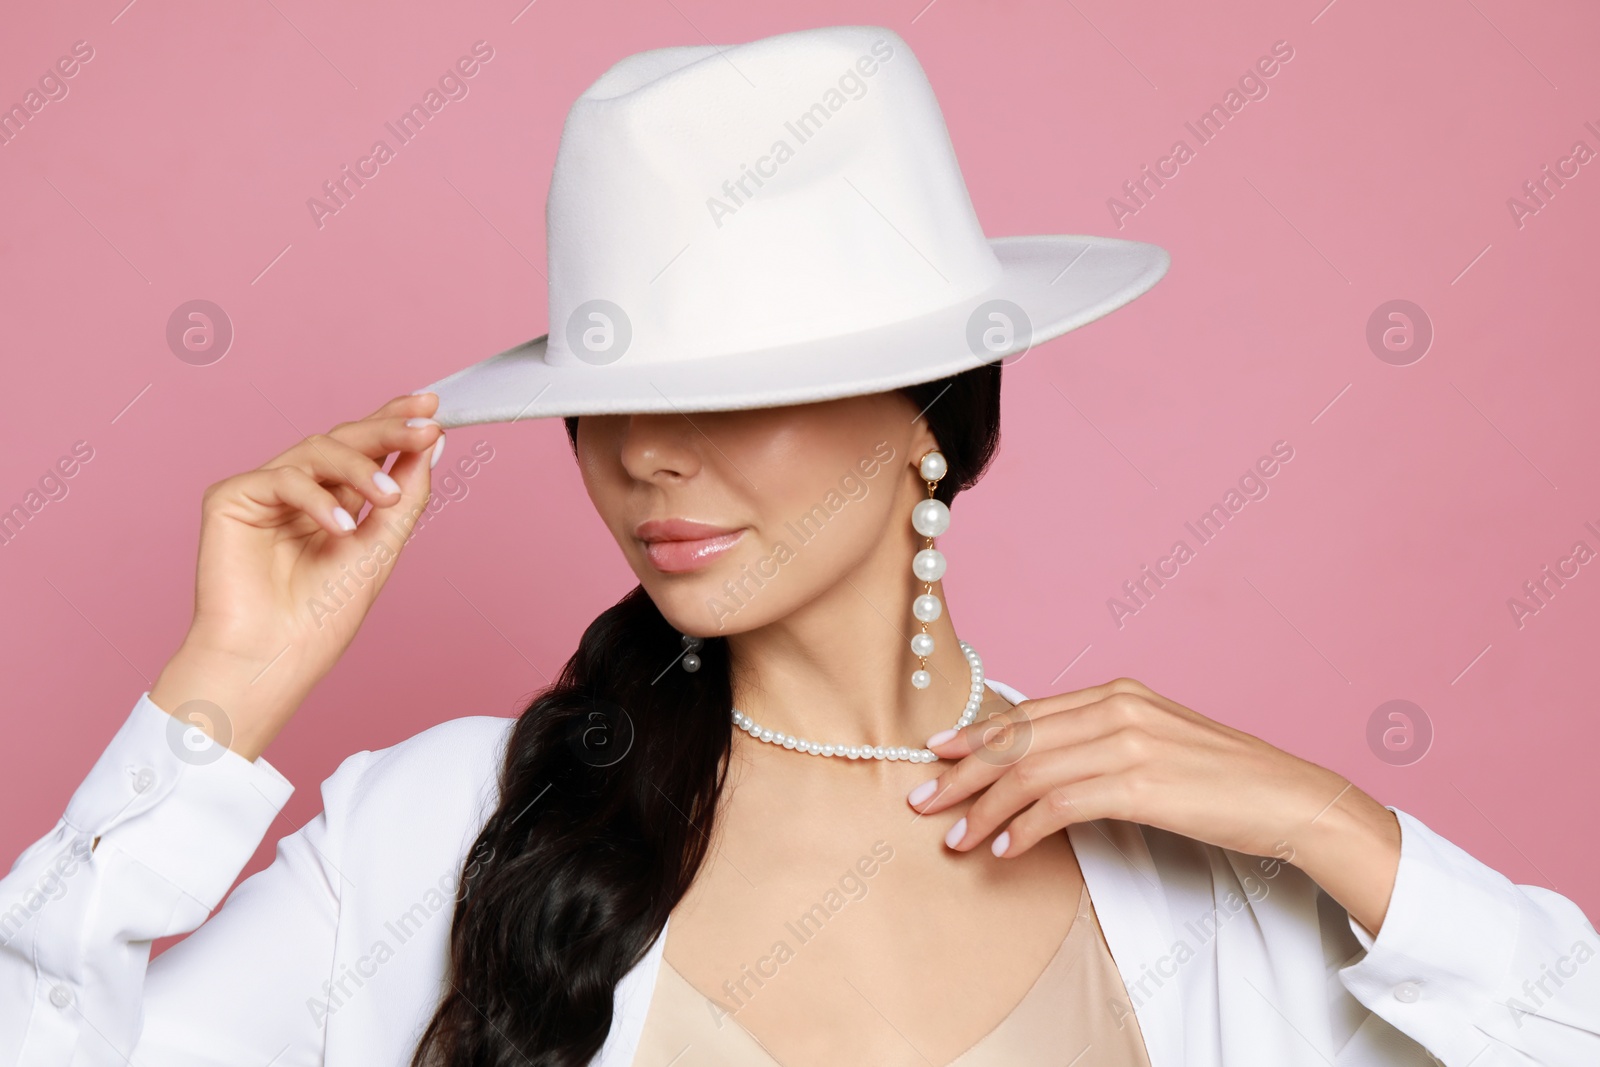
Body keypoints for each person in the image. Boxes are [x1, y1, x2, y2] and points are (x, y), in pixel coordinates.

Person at [3, 24, 1597, 1067]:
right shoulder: (442, 834)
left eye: (729, 387)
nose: (645, 455)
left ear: (930, 404)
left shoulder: (1199, 878)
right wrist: (217, 698)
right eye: (605, 398)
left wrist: (1341, 832)